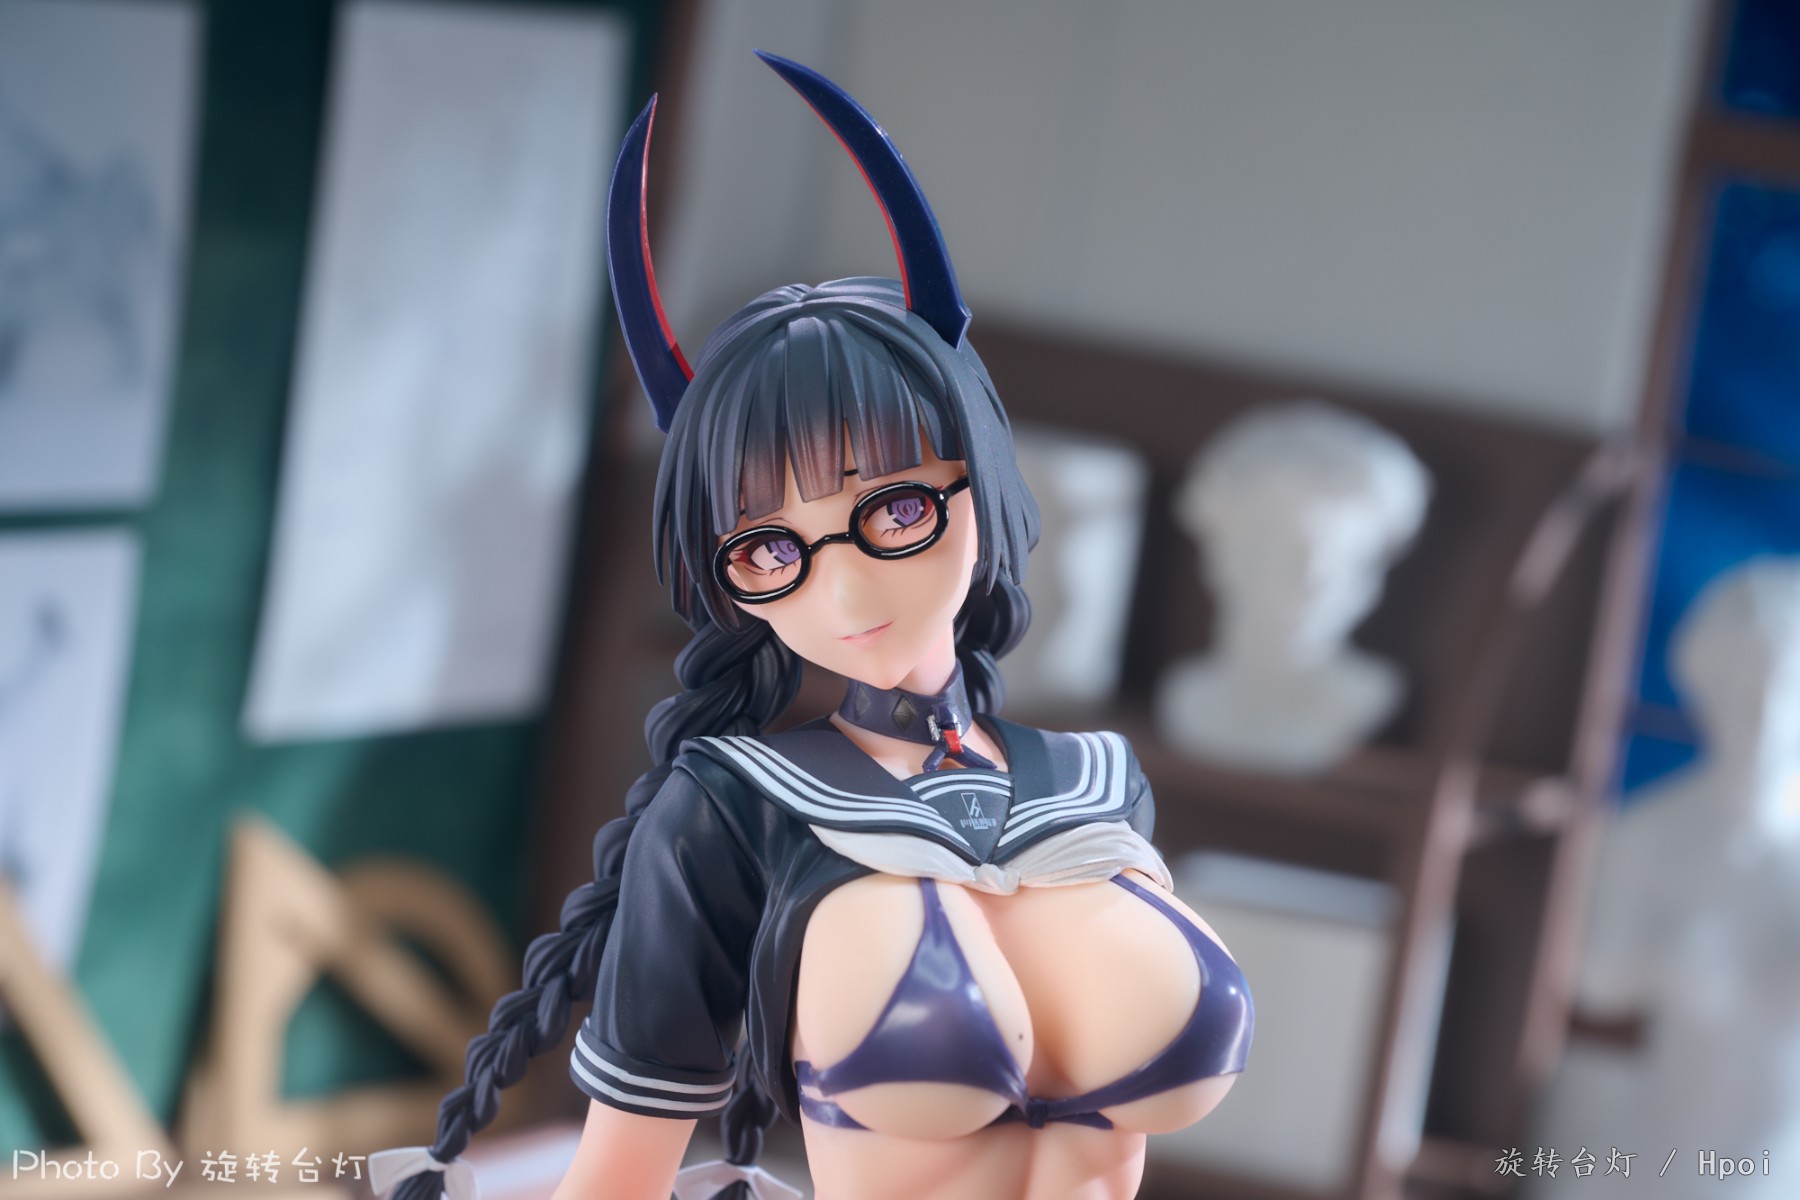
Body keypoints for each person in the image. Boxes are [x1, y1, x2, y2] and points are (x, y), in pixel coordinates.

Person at [374, 53, 1253, 1200]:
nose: (841, 597)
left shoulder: (1097, 784)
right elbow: (619, 1176)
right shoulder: (731, 809)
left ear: (983, 481)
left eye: (894, 512)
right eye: (770, 553)